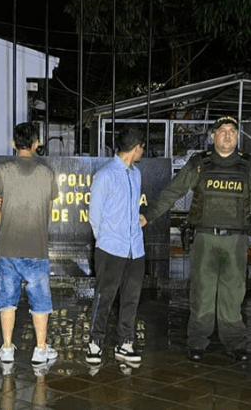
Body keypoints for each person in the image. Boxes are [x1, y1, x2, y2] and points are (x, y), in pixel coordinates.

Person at [140, 116, 251, 362]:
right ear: (213, 136)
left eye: (232, 131)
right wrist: (148, 215)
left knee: (233, 294)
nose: (227, 135)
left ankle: (235, 344)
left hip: (235, 240)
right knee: (202, 293)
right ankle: (198, 342)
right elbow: (173, 191)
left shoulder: (249, 165)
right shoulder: (200, 163)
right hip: (204, 238)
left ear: (237, 136)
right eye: (222, 131)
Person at [0, 123, 58, 368]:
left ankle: (7, 348)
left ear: (14, 144)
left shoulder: (2, 170)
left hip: (7, 246)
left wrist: (7, 223)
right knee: (40, 300)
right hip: (36, 247)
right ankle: (40, 349)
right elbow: (49, 211)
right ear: (36, 144)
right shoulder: (46, 174)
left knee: (6, 298)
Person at [85, 128, 146, 365]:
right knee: (105, 297)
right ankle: (95, 343)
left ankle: (125, 343)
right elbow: (95, 215)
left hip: (135, 249)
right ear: (136, 147)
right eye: (142, 147)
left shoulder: (136, 173)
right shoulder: (106, 175)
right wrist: (106, 240)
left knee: (131, 297)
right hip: (110, 248)